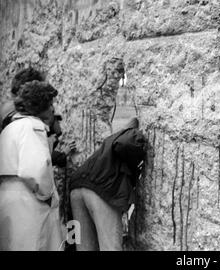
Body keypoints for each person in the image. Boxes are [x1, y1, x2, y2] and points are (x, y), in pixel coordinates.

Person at [0, 81, 63, 250]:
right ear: (40, 106)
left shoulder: (11, 127)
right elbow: (36, 168)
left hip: (7, 196)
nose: (52, 109)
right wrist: (48, 196)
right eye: (50, 104)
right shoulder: (32, 126)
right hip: (27, 199)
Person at [69, 117, 147, 251]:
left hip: (77, 187)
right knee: (110, 247)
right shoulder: (130, 136)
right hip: (101, 189)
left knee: (84, 248)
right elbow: (126, 142)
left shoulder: (108, 143)